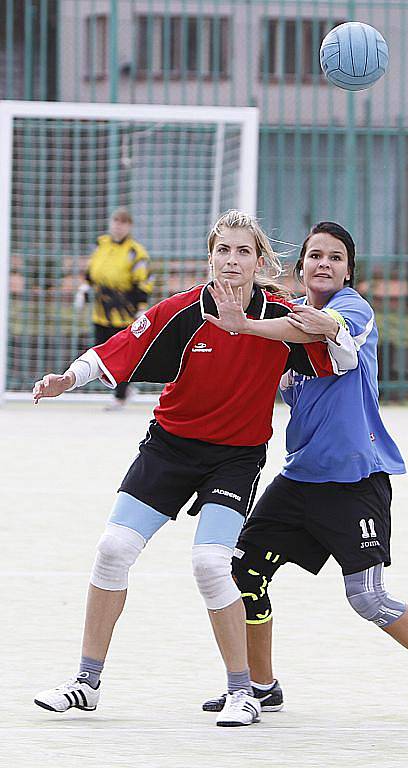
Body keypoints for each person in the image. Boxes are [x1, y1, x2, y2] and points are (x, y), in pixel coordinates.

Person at [32, 210, 350, 728]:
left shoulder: (282, 317)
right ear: (210, 257)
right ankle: (86, 683)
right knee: (113, 549)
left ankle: (242, 692)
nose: (232, 260)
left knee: (209, 564)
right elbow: (116, 351)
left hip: (236, 457)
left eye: (243, 251)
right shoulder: (182, 312)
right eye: (223, 250)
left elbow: (339, 358)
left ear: (260, 260)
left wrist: (332, 330)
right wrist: (68, 378)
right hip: (170, 448)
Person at [202, 221, 408, 725]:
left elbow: (313, 328)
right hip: (300, 477)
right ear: (301, 265)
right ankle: (261, 686)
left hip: (354, 479)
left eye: (335, 257)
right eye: (315, 256)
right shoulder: (283, 320)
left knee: (367, 597)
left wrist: (244, 323)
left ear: (349, 271)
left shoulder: (352, 310)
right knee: (244, 573)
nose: (324, 263)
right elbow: (272, 343)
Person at [74, 207, 153, 409]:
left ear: (129, 226)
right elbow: (92, 271)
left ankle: (121, 396)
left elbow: (143, 282)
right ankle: (123, 389)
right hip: (102, 311)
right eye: (116, 221)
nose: (118, 226)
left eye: (123, 222)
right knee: (100, 350)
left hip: (125, 312)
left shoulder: (136, 253)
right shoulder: (101, 245)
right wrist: (84, 289)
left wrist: (141, 308)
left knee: (123, 354)